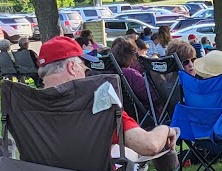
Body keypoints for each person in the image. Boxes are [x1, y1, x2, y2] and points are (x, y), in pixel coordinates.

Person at [37, 35, 177, 159]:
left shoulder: (27, 104)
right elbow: (149, 145)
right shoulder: (97, 102)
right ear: (72, 67)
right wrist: (166, 129)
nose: (86, 70)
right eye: (83, 65)